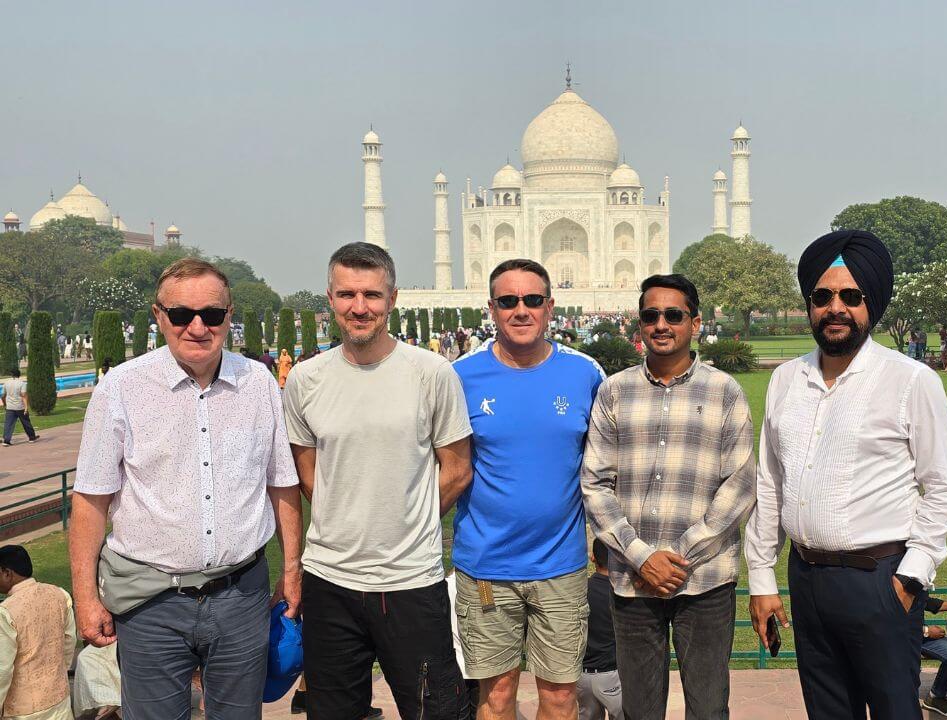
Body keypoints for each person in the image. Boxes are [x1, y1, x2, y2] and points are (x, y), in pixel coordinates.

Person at [69, 257, 304, 720]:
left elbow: (282, 483)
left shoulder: (257, 382)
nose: (197, 326)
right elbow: (91, 500)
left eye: (212, 315)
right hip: (151, 603)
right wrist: (85, 597)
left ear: (228, 316)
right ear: (159, 316)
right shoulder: (122, 387)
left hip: (241, 596)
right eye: (181, 315)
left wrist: (292, 568)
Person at [745, 229, 947, 720]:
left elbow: (942, 488)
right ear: (809, 304)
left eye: (850, 296)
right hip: (807, 579)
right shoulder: (786, 379)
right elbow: (771, 486)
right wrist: (762, 579)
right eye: (822, 297)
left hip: (881, 580)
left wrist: (910, 579)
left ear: (872, 304)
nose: (835, 308)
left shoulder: (910, 381)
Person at [283, 242, 471, 720]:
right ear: (330, 298)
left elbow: (457, 468)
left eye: (371, 294)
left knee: (434, 710)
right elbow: (308, 475)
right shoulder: (306, 379)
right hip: (330, 579)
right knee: (333, 712)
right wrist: (352, 512)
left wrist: (409, 519)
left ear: (393, 299)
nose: (359, 307)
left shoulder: (431, 373)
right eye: (347, 294)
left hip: (410, 578)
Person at [581, 274, 755, 720]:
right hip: (633, 579)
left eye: (673, 315)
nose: (661, 324)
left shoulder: (724, 391)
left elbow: (740, 484)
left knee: (708, 706)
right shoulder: (614, 391)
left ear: (694, 322)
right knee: (640, 709)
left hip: (704, 579)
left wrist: (674, 557)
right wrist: (641, 557)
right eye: (651, 315)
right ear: (640, 324)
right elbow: (594, 483)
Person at [451, 258, 605, 720]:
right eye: (508, 301)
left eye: (532, 300)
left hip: (560, 563)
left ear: (550, 307)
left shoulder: (584, 373)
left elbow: (603, 466)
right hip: (486, 567)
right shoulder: (460, 375)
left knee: (559, 696)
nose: (521, 310)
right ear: (492, 309)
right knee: (496, 696)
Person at [0, 545, 76, 720]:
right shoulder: (59, 594)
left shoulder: (6, 612)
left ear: (7, 572)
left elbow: (2, 669)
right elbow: (69, 643)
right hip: (59, 699)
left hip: (23, 711)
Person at [574, 540, 623, 720]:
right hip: (613, 674)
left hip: (582, 676)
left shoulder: (579, 590)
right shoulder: (621, 592)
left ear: (593, 558)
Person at [919, 594, 947, 718]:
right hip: (899, 639)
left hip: (919, 637)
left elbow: (928, 602)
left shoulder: (915, 583)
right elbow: (891, 620)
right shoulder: (893, 584)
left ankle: (935, 697)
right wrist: (926, 631)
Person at [2, 370, 39, 447]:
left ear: (12, 375)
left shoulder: (6, 383)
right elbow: (24, 395)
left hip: (10, 407)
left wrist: (5, 404)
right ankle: (32, 438)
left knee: (8, 424)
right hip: (20, 407)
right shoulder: (22, 383)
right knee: (26, 422)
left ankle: (6, 440)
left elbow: (3, 396)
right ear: (19, 375)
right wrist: (26, 408)